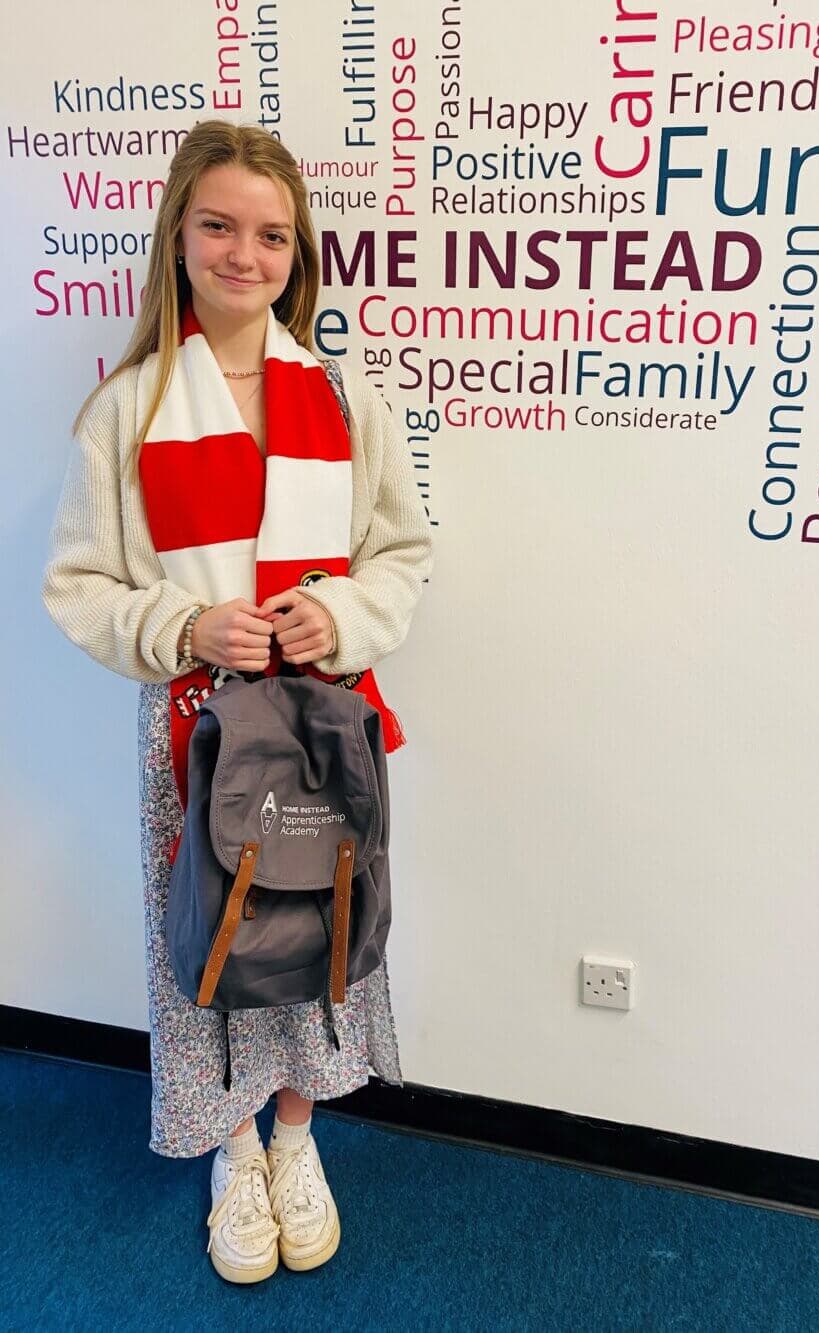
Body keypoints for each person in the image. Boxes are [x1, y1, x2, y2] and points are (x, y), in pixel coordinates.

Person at [41, 119, 434, 1284]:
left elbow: (399, 556)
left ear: (297, 252)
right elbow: (81, 584)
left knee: (320, 932)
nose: (244, 254)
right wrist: (181, 624)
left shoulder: (346, 398)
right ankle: (232, 1147)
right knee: (206, 945)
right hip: (198, 739)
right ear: (178, 238)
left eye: (271, 234)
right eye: (218, 225)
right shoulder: (128, 409)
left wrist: (341, 615)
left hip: (322, 734)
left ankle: (301, 1140)